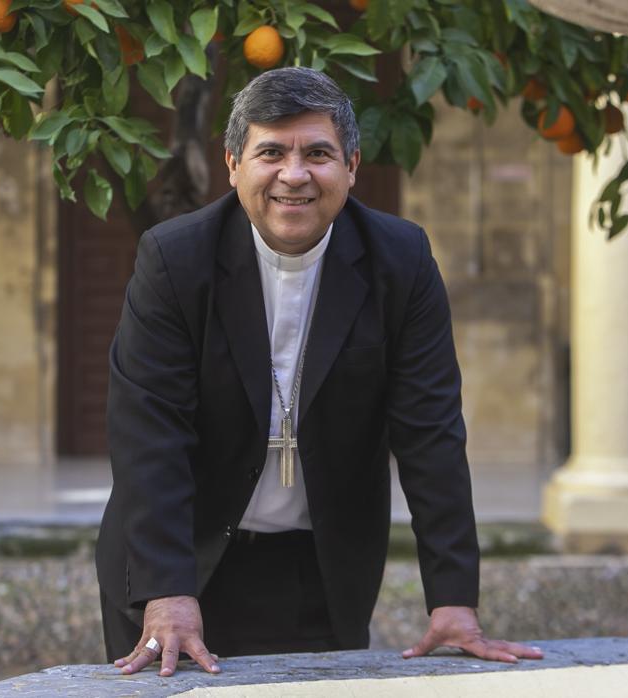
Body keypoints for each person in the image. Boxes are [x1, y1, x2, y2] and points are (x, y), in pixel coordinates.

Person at [95, 66, 542, 677]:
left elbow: (430, 433)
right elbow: (150, 434)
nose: (294, 175)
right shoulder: (175, 260)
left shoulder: (401, 261)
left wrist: (454, 599)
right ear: (232, 164)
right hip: (179, 561)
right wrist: (167, 590)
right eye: (271, 152)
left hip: (322, 566)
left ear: (351, 166)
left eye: (318, 154)